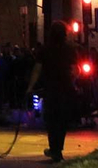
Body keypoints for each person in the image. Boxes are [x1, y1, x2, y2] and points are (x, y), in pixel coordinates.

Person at [27, 22, 78, 162]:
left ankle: (53, 148)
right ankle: (58, 149)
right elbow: (75, 70)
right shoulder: (70, 50)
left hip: (50, 89)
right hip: (65, 89)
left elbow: (37, 70)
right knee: (62, 120)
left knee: (51, 119)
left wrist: (30, 87)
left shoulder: (45, 50)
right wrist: (73, 82)